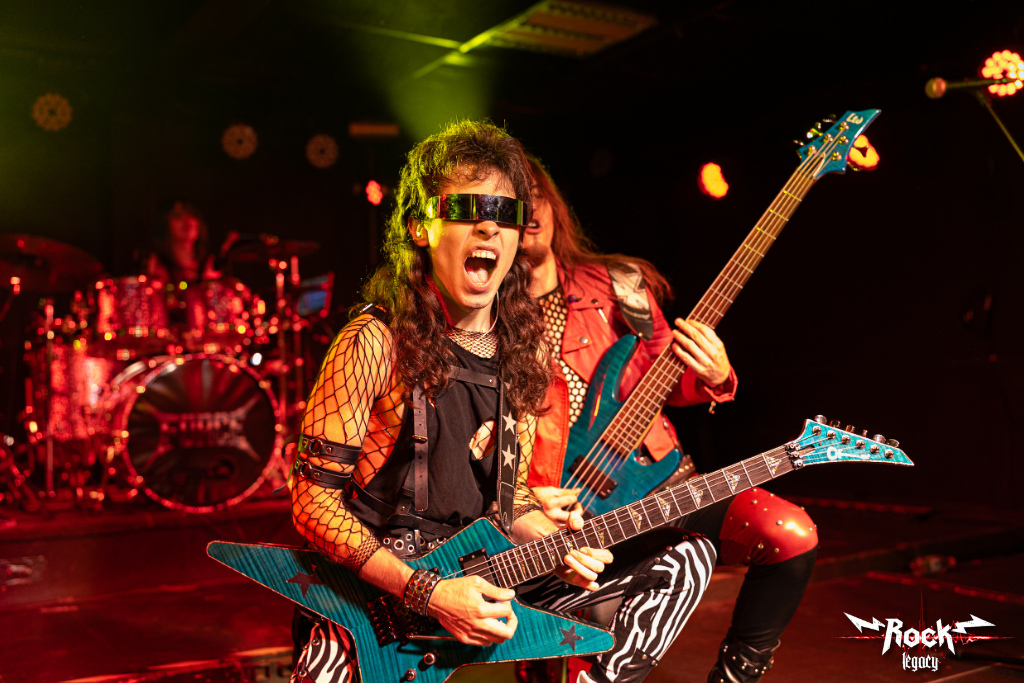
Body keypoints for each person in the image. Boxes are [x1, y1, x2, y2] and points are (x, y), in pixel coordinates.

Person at [289, 121, 716, 683]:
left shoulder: (522, 352)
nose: (488, 224)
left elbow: (509, 505)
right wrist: (429, 591)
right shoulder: (373, 341)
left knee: (685, 557)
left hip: (483, 573)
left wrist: (555, 542)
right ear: (421, 226)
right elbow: (312, 505)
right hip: (377, 596)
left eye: (504, 212)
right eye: (466, 209)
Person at [521, 154, 819, 683]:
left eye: (536, 195)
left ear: (555, 206)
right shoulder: (481, 307)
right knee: (563, 629)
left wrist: (713, 375)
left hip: (656, 477)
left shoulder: (618, 283)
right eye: (512, 201)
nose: (528, 211)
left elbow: (663, 376)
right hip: (559, 502)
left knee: (789, 533)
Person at [145, 200, 237, 283]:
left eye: (192, 214)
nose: (188, 220)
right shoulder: (155, 264)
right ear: (164, 225)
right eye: (178, 215)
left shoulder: (211, 261)